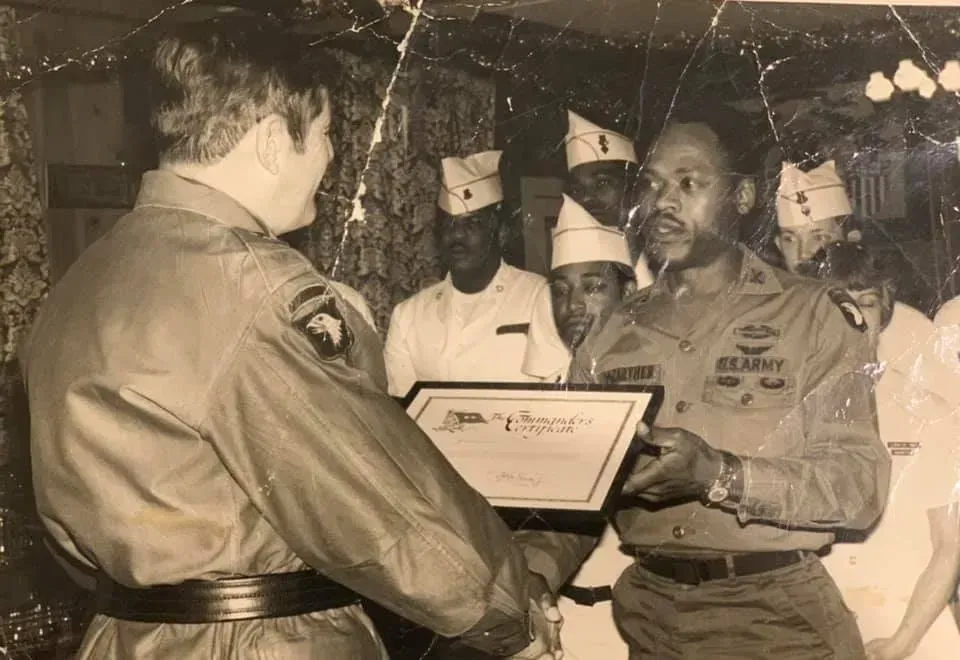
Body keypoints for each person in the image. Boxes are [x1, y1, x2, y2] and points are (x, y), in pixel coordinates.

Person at [19, 18, 561, 660]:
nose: (331, 158)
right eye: (328, 134)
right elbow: (372, 494)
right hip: (260, 639)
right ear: (276, 140)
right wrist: (507, 612)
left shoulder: (79, 282)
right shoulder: (257, 286)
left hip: (124, 635)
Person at [563, 103, 891, 659]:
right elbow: (571, 493)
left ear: (741, 198)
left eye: (688, 183)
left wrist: (721, 474)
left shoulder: (813, 315)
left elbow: (858, 487)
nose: (662, 203)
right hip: (650, 620)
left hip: (778, 621)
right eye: (651, 184)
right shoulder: (607, 335)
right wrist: (530, 574)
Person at [806, 242, 960, 660]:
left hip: (910, 619)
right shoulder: (791, 413)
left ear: (885, 309)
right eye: (837, 305)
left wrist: (902, 643)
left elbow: (949, 546)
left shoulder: (927, 411)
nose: (854, 318)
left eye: (866, 303)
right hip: (813, 622)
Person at [539, 193, 636, 658]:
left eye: (593, 286)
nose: (572, 304)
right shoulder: (535, 388)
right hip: (559, 616)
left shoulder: (658, 389)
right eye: (559, 289)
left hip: (632, 624)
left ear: (629, 294)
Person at [776, 160, 946, 406]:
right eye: (791, 239)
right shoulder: (771, 316)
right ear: (778, 245)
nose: (803, 254)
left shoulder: (906, 327)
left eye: (820, 237)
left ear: (850, 238)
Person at [383, 150, 545, 398]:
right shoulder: (408, 316)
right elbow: (401, 415)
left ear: (500, 232)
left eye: (473, 224)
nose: (457, 236)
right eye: (449, 224)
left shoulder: (538, 297)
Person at [522, 111, 654, 383]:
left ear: (635, 188)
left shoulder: (672, 268)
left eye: (603, 183)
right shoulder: (558, 294)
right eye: (578, 189)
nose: (588, 199)